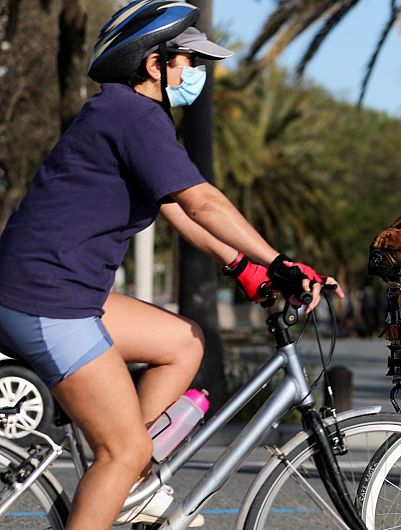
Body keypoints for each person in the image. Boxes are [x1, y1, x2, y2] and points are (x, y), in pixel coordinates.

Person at [0, 2, 343, 529]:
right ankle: (123, 466)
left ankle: (129, 482)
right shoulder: (132, 116)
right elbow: (202, 202)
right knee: (122, 449)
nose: (198, 72)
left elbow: (176, 209)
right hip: (47, 301)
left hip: (53, 292)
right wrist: (280, 263)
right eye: (190, 60)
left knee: (183, 341)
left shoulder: (131, 115)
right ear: (153, 63)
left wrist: (244, 267)